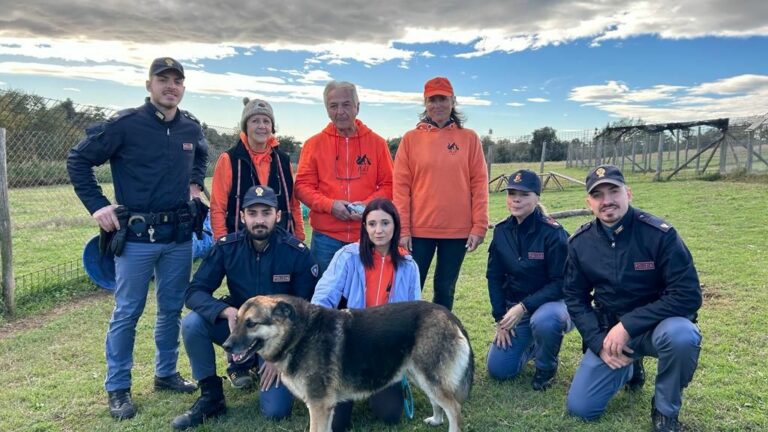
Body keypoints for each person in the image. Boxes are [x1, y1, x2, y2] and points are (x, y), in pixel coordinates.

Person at [67, 57, 208, 420]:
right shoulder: (125, 125)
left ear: (183, 87)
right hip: (137, 238)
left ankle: (166, 374)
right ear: (149, 85)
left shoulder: (190, 128)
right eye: (163, 79)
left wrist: (195, 183)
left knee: (171, 308)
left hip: (178, 237)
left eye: (177, 80)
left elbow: (200, 156)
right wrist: (98, 206)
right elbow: (78, 160)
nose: (171, 86)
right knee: (128, 311)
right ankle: (118, 388)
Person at [564, 165, 702, 432]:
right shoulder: (580, 243)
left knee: (683, 335)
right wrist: (597, 342)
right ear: (589, 203)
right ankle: (629, 368)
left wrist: (627, 326)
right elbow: (573, 297)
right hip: (610, 335)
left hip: (658, 328)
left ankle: (665, 411)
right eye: (598, 195)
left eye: (613, 191)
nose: (607, 201)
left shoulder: (660, 235)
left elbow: (688, 295)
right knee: (581, 409)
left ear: (628, 192)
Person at [171, 185, 319, 430]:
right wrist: (226, 312)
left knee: (275, 411)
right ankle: (211, 396)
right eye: (252, 213)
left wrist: (279, 354)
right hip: (240, 328)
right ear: (242, 216)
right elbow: (194, 292)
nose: (259, 220)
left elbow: (307, 311)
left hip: (279, 339)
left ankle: (265, 367)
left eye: (266, 212)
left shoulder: (297, 253)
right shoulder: (227, 247)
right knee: (193, 323)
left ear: (278, 215)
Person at [311, 198, 420, 431]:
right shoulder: (347, 256)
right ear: (364, 227)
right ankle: (344, 391)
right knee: (337, 423)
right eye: (371, 224)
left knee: (390, 414)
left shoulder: (409, 265)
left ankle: (384, 387)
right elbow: (322, 298)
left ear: (395, 226)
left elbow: (415, 313)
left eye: (385, 223)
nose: (378, 230)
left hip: (385, 349)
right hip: (348, 348)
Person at [393, 76, 489, 311]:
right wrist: (402, 229)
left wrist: (479, 225)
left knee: (445, 289)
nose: (437, 105)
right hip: (418, 231)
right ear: (425, 103)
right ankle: (407, 340)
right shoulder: (410, 139)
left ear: (453, 101)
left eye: (442, 99)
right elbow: (401, 188)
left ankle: (441, 339)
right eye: (431, 100)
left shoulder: (469, 139)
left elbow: (479, 183)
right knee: (410, 288)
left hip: (457, 232)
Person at [485, 169, 573, 390]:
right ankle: (534, 346)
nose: (516, 198)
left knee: (545, 319)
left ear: (537, 197)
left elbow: (561, 283)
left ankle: (546, 365)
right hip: (516, 310)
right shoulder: (501, 231)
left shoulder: (553, 233)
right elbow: (494, 276)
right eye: (512, 193)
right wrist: (501, 319)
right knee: (499, 370)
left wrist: (524, 307)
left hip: (552, 306)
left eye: (524, 194)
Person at [295, 81, 394, 275]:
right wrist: (330, 205)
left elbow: (389, 184)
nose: (340, 111)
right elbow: (302, 187)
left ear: (358, 106)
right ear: (327, 110)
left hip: (367, 235)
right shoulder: (313, 144)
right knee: (324, 299)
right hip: (326, 238)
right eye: (333, 106)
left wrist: (366, 207)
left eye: (346, 104)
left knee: (366, 297)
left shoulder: (377, 143)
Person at [209, 98, 304, 241]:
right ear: (245, 126)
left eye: (266, 121)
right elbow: (218, 208)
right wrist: (222, 243)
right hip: (240, 243)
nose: (262, 126)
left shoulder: (283, 160)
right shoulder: (229, 159)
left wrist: (299, 236)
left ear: (272, 127)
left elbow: (294, 204)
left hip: (279, 242)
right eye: (255, 121)